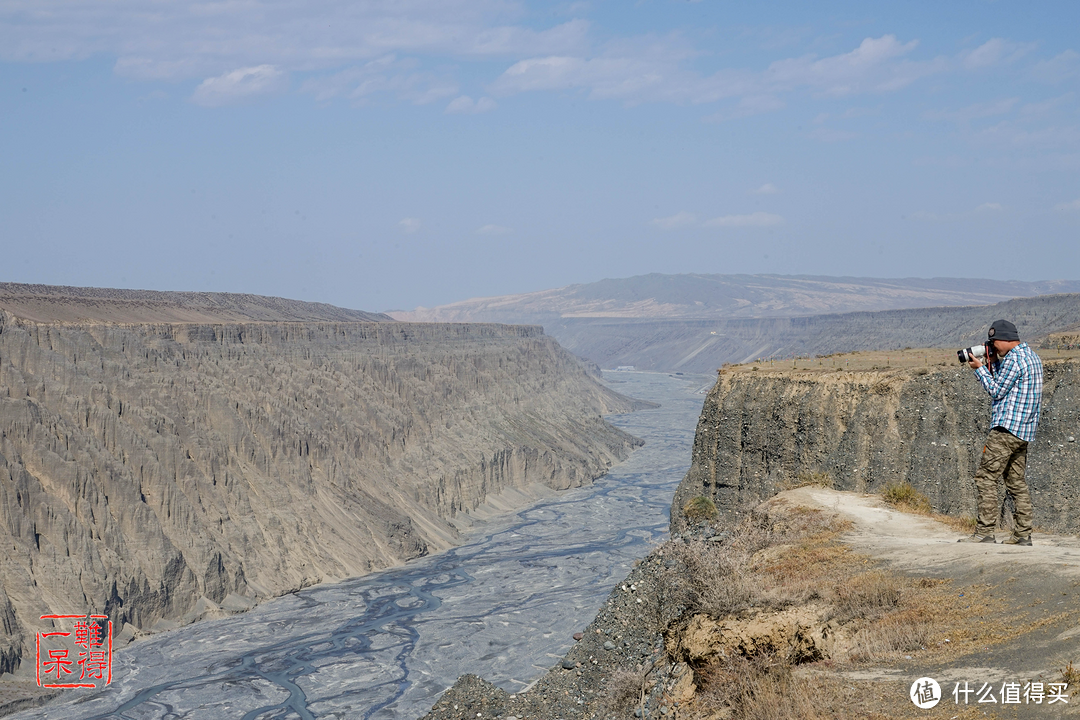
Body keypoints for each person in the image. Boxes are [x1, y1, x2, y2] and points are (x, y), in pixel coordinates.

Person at [959, 319, 1043, 545]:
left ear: (1005, 339)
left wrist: (979, 370)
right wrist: (994, 363)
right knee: (1016, 482)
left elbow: (996, 391)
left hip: (1005, 430)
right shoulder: (1032, 357)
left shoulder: (1015, 359)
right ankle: (1023, 535)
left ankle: (984, 532)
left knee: (985, 478)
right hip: (1023, 431)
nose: (993, 346)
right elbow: (1008, 385)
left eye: (994, 342)